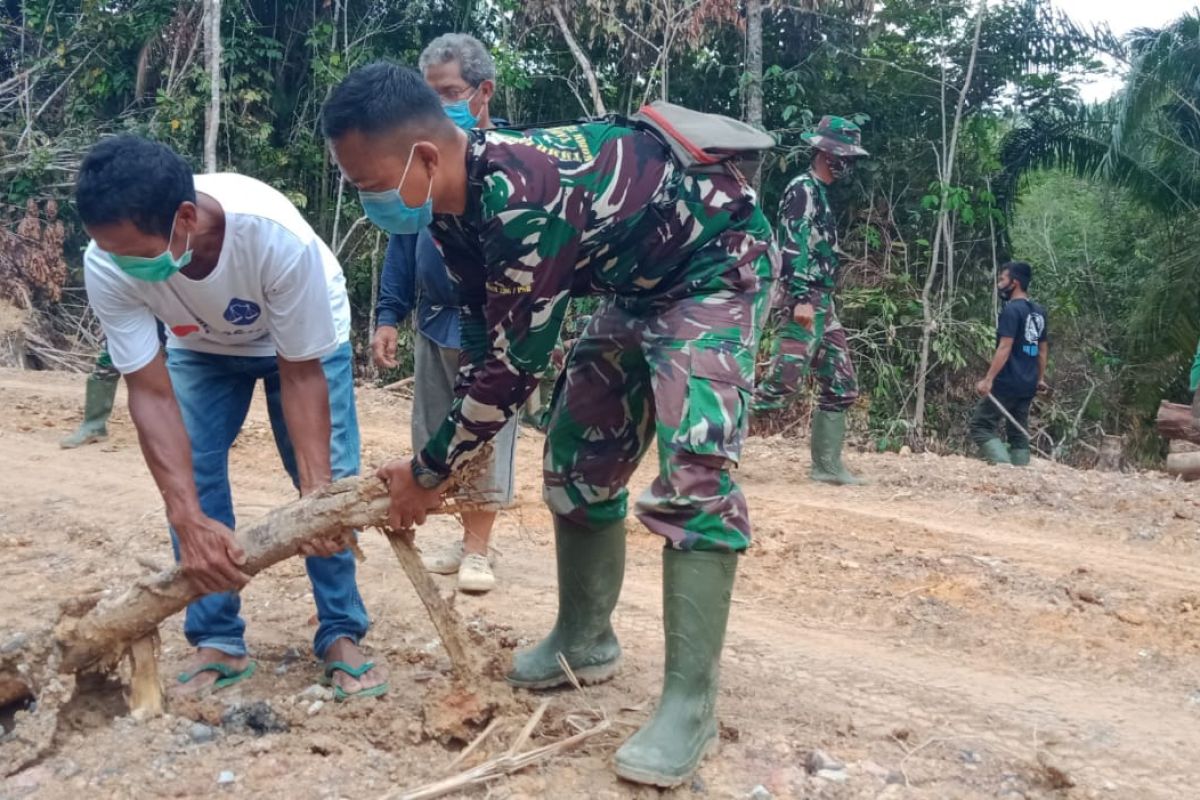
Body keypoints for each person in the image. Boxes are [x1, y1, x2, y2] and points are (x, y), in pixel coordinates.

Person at [323, 63, 774, 787]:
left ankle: (691, 703)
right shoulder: (449, 209)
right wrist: (445, 459)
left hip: (715, 266)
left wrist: (429, 473)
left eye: (369, 184)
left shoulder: (521, 201)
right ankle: (585, 639)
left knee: (694, 472)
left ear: (426, 158)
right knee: (577, 451)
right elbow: (481, 326)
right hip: (638, 282)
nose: (367, 199)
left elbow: (511, 372)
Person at [75, 135, 386, 700]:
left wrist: (316, 496)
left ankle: (341, 631)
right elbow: (149, 392)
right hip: (200, 346)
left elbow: (300, 374)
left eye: (136, 254)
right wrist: (185, 514)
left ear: (185, 219)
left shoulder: (273, 239)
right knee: (190, 480)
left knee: (329, 481)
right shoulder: (106, 261)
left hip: (305, 344)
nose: (124, 266)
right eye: (109, 251)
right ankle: (216, 638)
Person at [372, 34, 518, 594]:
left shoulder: (510, 163)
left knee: (489, 430)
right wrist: (388, 315)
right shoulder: (418, 158)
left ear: (483, 92)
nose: (438, 105)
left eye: (450, 92)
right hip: (434, 320)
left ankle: (480, 548)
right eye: (429, 95)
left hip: (495, 325)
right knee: (437, 429)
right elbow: (402, 241)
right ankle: (461, 538)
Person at [750, 115, 869, 486]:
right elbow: (791, 245)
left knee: (842, 382)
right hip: (806, 299)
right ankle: (704, 444)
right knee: (780, 386)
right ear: (823, 152)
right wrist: (800, 298)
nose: (847, 163)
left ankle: (827, 467)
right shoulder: (801, 189)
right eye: (843, 155)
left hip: (822, 301)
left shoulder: (820, 193)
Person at [971, 261, 1049, 466]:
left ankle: (1004, 468)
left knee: (981, 425)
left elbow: (1005, 347)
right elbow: (1040, 350)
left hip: (1007, 381)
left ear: (1014, 283)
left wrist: (988, 379)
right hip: (1028, 383)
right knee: (1018, 429)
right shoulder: (1039, 312)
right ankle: (1020, 471)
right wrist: (1040, 378)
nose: (999, 284)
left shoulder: (1011, 311)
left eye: (1002, 279)